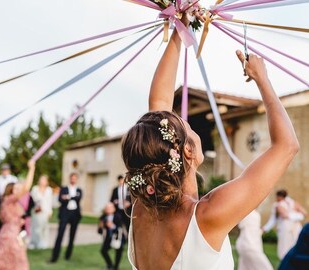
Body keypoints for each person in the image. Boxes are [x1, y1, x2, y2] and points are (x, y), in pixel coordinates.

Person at [120, 16, 299, 270]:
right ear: (187, 150)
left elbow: (158, 105)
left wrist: (179, 29)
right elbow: (286, 146)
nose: (190, 126)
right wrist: (263, 79)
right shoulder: (207, 216)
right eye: (189, 127)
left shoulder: (142, 209)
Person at [0, 161, 36, 270]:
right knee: (17, 261)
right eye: (16, 189)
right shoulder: (8, 200)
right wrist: (32, 168)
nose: (19, 192)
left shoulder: (9, 203)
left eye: (19, 189)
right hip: (11, 236)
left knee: (7, 261)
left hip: (9, 233)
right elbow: (26, 188)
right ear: (10, 190)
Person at [263, 189, 307, 259]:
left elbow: (284, 216)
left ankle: (286, 260)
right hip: (296, 226)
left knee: (285, 245)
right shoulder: (293, 203)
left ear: (280, 196)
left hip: (286, 227)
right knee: (294, 244)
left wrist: (265, 228)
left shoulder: (278, 205)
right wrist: (298, 216)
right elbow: (303, 213)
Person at [49, 172, 82, 263]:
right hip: (65, 213)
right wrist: (72, 197)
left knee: (72, 236)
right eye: (72, 178)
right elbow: (60, 199)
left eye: (75, 178)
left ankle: (68, 255)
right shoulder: (64, 188)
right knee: (60, 234)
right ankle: (54, 256)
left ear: (76, 179)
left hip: (75, 214)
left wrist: (67, 197)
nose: (73, 180)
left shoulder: (79, 189)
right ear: (70, 179)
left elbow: (78, 198)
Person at [98, 202, 124, 270]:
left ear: (113, 208)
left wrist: (112, 226)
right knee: (103, 251)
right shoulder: (103, 217)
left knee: (119, 251)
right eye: (106, 208)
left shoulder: (118, 216)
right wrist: (101, 227)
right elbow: (99, 231)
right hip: (108, 237)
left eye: (109, 208)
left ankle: (116, 267)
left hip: (118, 237)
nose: (108, 209)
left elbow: (120, 228)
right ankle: (110, 264)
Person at [29, 174, 53, 249]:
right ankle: (34, 242)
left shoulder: (49, 190)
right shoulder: (35, 189)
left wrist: (50, 212)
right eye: (41, 179)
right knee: (35, 227)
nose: (43, 181)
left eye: (44, 180)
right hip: (37, 211)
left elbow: (50, 202)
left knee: (44, 227)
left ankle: (43, 242)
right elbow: (32, 200)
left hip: (45, 211)